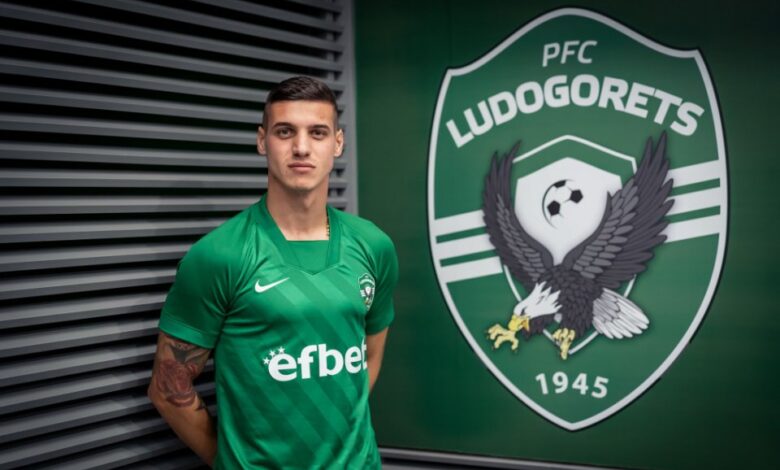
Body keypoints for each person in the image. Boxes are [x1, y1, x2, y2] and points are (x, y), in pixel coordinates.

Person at [147, 76, 398, 469]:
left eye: (317, 133)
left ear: (337, 143)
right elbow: (168, 390)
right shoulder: (218, 256)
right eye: (285, 132)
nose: (301, 147)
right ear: (262, 140)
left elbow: (370, 357)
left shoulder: (374, 245)